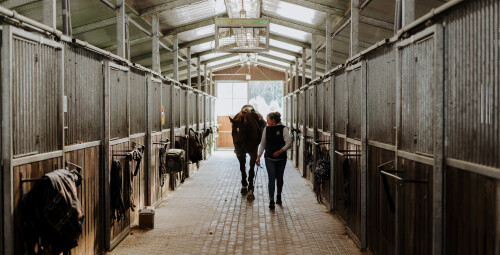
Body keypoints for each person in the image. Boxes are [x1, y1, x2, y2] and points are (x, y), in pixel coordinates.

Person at [256, 112, 292, 209]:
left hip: (281, 158)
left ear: (273, 120)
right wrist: (259, 156)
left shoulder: (283, 129)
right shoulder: (266, 130)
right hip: (269, 158)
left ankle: (278, 195)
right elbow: (263, 144)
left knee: (279, 178)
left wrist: (280, 151)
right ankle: (271, 199)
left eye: (268, 120)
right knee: (271, 177)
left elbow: (289, 143)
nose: (266, 121)